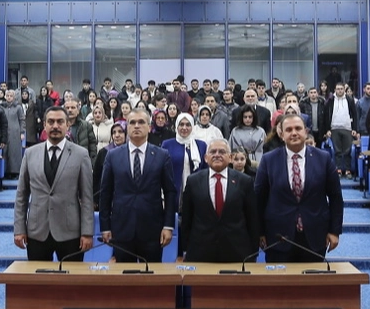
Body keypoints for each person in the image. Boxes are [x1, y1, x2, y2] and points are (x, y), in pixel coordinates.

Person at [13, 105, 94, 309]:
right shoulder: (31, 153)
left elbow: (87, 197)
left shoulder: (80, 154)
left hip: (70, 231)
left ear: (68, 126)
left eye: (60, 121)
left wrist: (87, 232)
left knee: (72, 286)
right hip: (37, 229)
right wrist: (19, 228)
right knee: (38, 286)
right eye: (51, 122)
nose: (56, 126)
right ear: (44, 125)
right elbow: (21, 195)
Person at [254, 113, 343, 265]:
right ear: (281, 134)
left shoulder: (324, 158)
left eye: (298, 128)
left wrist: (334, 231)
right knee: (280, 286)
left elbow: (335, 197)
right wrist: (260, 232)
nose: (294, 133)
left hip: (315, 234)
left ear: (305, 131)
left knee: (312, 285)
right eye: (288, 130)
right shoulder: (269, 160)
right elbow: (258, 199)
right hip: (278, 236)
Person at [98, 107, 177, 265]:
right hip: (121, 229)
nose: (136, 126)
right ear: (127, 127)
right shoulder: (112, 156)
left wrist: (168, 226)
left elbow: (170, 192)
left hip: (152, 229)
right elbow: (105, 193)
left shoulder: (162, 155)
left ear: (149, 126)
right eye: (132, 122)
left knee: (152, 281)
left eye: (141, 122)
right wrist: (105, 227)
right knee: (124, 283)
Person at [179, 139, 260, 264]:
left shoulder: (245, 181)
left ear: (230, 157)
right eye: (213, 152)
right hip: (200, 251)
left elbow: (252, 219)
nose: (217, 155)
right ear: (206, 158)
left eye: (222, 152)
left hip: (237, 252)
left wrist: (254, 251)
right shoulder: (193, 181)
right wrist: (185, 248)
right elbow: (186, 219)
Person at [163, 113, 207, 199]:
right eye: (181, 124)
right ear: (176, 126)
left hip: (197, 191)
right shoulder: (167, 144)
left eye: (188, 125)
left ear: (192, 127)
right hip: (173, 191)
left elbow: (205, 169)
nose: (184, 128)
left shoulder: (201, 145)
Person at [322, 82, 357, 178]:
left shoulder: (350, 100)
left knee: (347, 151)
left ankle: (348, 170)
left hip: (347, 128)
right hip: (334, 128)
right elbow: (326, 116)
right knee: (337, 151)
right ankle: (338, 169)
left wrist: (354, 128)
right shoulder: (330, 100)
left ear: (344, 90)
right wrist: (327, 129)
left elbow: (354, 114)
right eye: (338, 89)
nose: (340, 90)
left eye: (341, 89)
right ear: (335, 90)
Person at [1, 88, 26, 178]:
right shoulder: (1, 107)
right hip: (4, 132)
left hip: (15, 131)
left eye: (11, 96)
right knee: (5, 152)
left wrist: (22, 132)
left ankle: (15, 172)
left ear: (14, 97)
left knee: (14, 152)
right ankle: (5, 172)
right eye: (7, 96)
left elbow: (22, 119)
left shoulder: (18, 107)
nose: (9, 97)